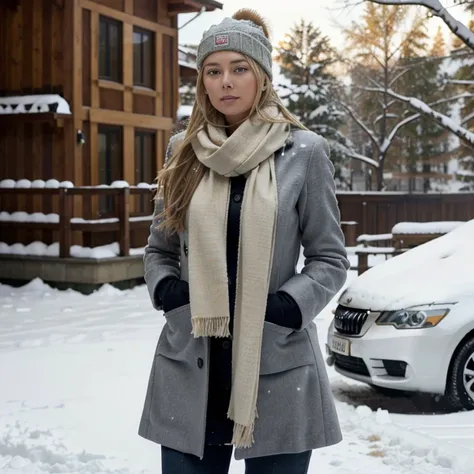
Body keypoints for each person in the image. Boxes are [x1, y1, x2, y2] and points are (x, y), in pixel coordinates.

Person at [138, 8, 350, 474]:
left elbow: (329, 258)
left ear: (262, 76)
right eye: (213, 71)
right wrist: (169, 293)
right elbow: (159, 249)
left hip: (273, 360)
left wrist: (287, 308)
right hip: (193, 362)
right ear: (203, 82)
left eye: (239, 69)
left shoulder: (304, 152)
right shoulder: (184, 151)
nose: (225, 82)